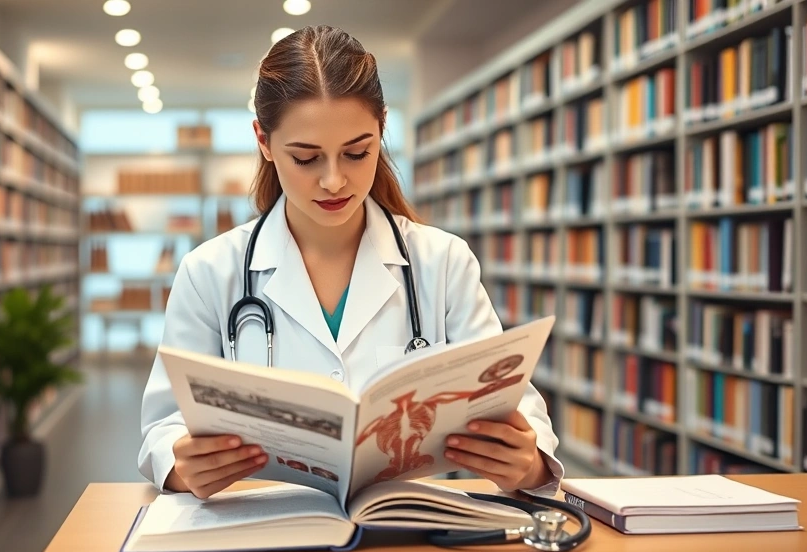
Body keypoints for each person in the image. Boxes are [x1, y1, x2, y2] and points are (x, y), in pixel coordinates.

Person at [138, 25, 564, 501]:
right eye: (306, 158)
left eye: (358, 153)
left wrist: (527, 461)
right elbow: (163, 425)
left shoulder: (442, 262)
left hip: (404, 536)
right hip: (264, 534)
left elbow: (513, 403)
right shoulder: (210, 272)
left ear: (382, 127)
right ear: (263, 141)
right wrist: (181, 463)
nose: (335, 180)